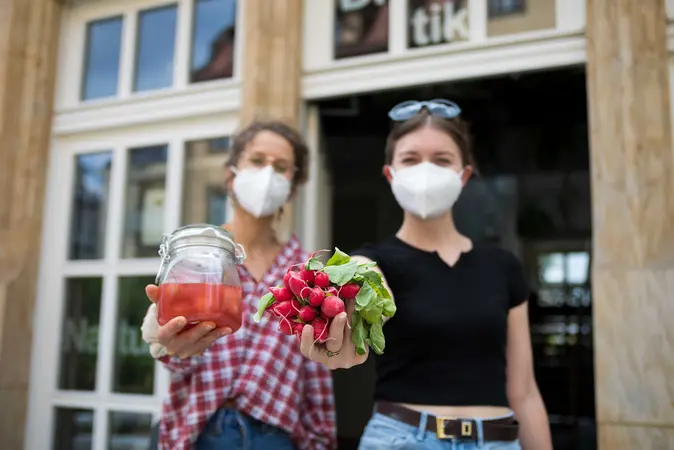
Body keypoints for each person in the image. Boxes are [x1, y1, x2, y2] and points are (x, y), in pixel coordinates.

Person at [299, 99, 553, 450]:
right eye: (411, 159)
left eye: (442, 160)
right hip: (400, 440)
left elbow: (524, 393)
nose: (425, 171)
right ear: (391, 174)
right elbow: (361, 286)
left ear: (463, 175)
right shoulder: (372, 261)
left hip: (496, 441)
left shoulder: (503, 267)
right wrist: (343, 334)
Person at [141, 120, 336, 450]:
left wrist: (320, 441)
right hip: (199, 432)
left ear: (293, 187)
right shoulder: (200, 252)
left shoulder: (307, 272)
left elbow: (315, 368)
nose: (268, 174)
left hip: (274, 438)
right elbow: (167, 345)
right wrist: (170, 346)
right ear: (231, 175)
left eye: (282, 167)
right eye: (257, 161)